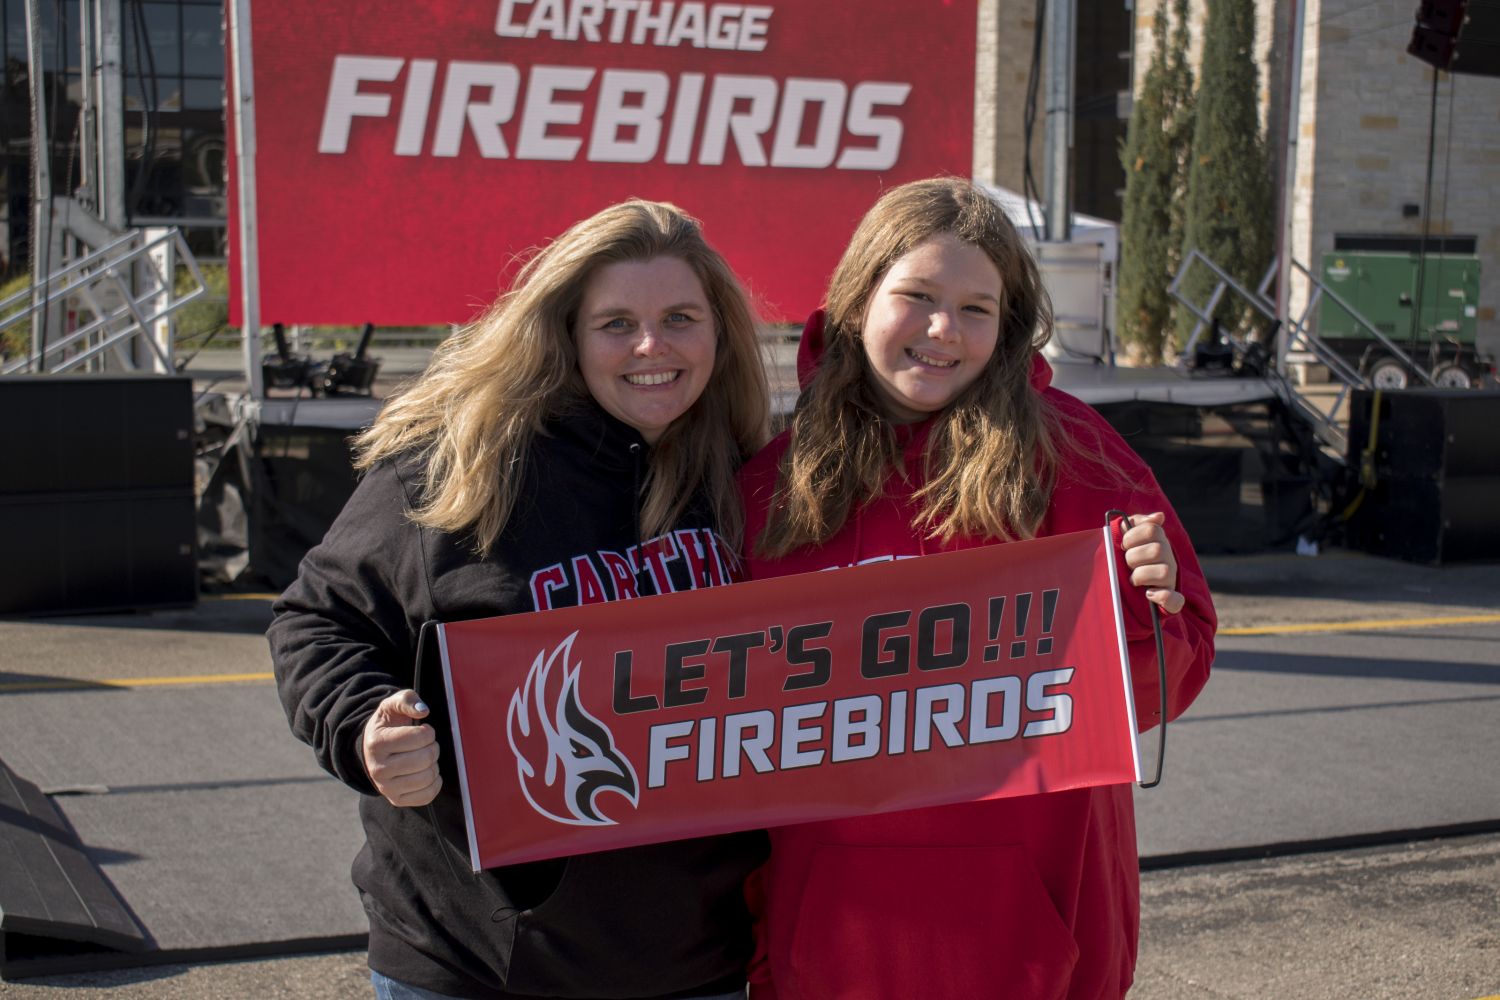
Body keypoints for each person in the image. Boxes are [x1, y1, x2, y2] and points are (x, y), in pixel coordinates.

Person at [269, 199, 771, 1000]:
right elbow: (318, 620)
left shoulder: (749, 477)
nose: (653, 346)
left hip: (692, 960)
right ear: (566, 332)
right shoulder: (460, 466)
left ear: (720, 332)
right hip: (476, 962)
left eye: (681, 317)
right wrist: (365, 722)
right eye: (616, 324)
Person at [737, 178, 1216, 999]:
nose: (941, 331)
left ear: (1008, 325)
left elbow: (1170, 679)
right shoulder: (769, 487)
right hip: (830, 946)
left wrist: (1149, 613)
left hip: (1035, 945)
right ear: (856, 303)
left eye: (975, 309)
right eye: (916, 296)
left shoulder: (1075, 453)